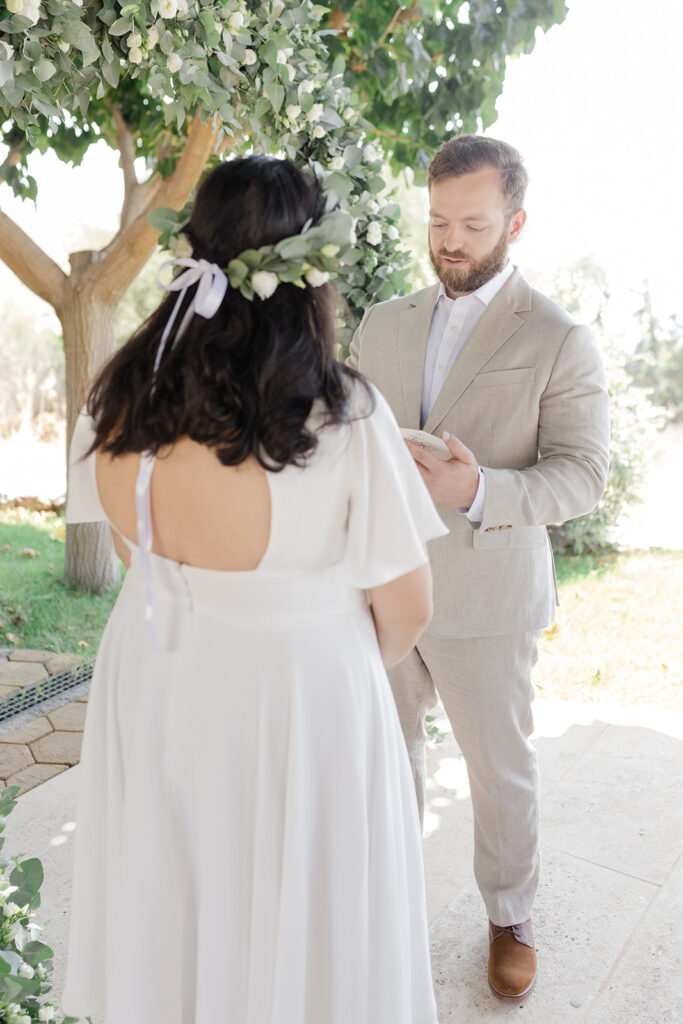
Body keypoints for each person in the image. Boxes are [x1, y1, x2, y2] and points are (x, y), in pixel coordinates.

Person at [62, 155, 448, 1024]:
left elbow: (134, 551)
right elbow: (408, 606)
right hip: (297, 702)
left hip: (156, 678)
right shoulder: (341, 415)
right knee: (295, 913)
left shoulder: (118, 399)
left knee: (179, 895)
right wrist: (326, 654)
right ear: (309, 271)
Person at [348, 134, 610, 1003]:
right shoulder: (381, 322)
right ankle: (384, 899)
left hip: (488, 597)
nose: (450, 241)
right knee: (381, 755)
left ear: (515, 222)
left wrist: (479, 489)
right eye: (437, 222)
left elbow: (582, 475)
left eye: (471, 224)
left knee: (499, 769)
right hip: (378, 586)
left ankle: (509, 916)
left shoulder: (561, 338)